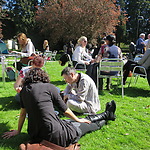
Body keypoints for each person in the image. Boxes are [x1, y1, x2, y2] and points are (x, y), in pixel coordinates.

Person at [2, 68, 116, 148]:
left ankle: (106, 114)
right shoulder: (49, 87)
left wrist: (18, 131)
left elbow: (22, 114)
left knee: (68, 122)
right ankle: (106, 117)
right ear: (43, 77)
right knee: (85, 125)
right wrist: (78, 119)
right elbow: (65, 110)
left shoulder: (24, 91)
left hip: (35, 134)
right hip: (55, 134)